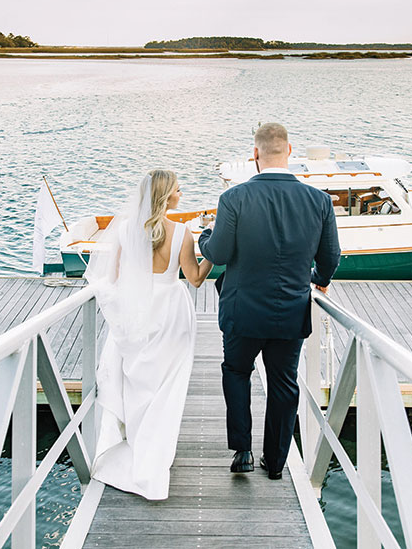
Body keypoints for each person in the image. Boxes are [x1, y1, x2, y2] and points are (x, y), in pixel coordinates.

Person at [199, 123, 340, 479]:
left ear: (256, 154)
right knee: (283, 383)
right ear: (289, 151)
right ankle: (276, 462)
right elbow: (331, 257)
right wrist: (318, 281)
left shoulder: (234, 198)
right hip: (290, 310)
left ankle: (243, 451)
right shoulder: (319, 200)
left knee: (236, 372)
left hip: (242, 310)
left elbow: (218, 251)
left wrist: (203, 236)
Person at [86, 169, 213, 500]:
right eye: (177, 190)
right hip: (171, 314)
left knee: (138, 383)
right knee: (166, 387)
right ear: (165, 196)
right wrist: (212, 254)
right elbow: (196, 278)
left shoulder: (126, 230)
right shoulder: (182, 233)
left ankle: (135, 443)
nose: (180, 194)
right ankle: (155, 455)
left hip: (136, 312)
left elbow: (112, 278)